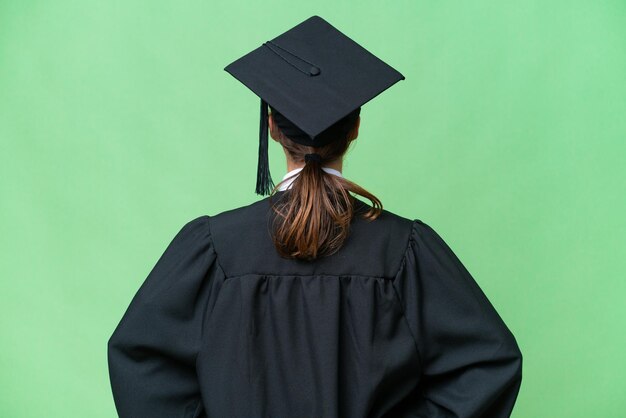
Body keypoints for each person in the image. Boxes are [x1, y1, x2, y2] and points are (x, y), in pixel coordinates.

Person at [107, 15, 523, 418]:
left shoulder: (213, 247)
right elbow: (488, 365)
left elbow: (140, 362)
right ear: (356, 126)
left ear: (271, 127)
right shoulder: (403, 251)